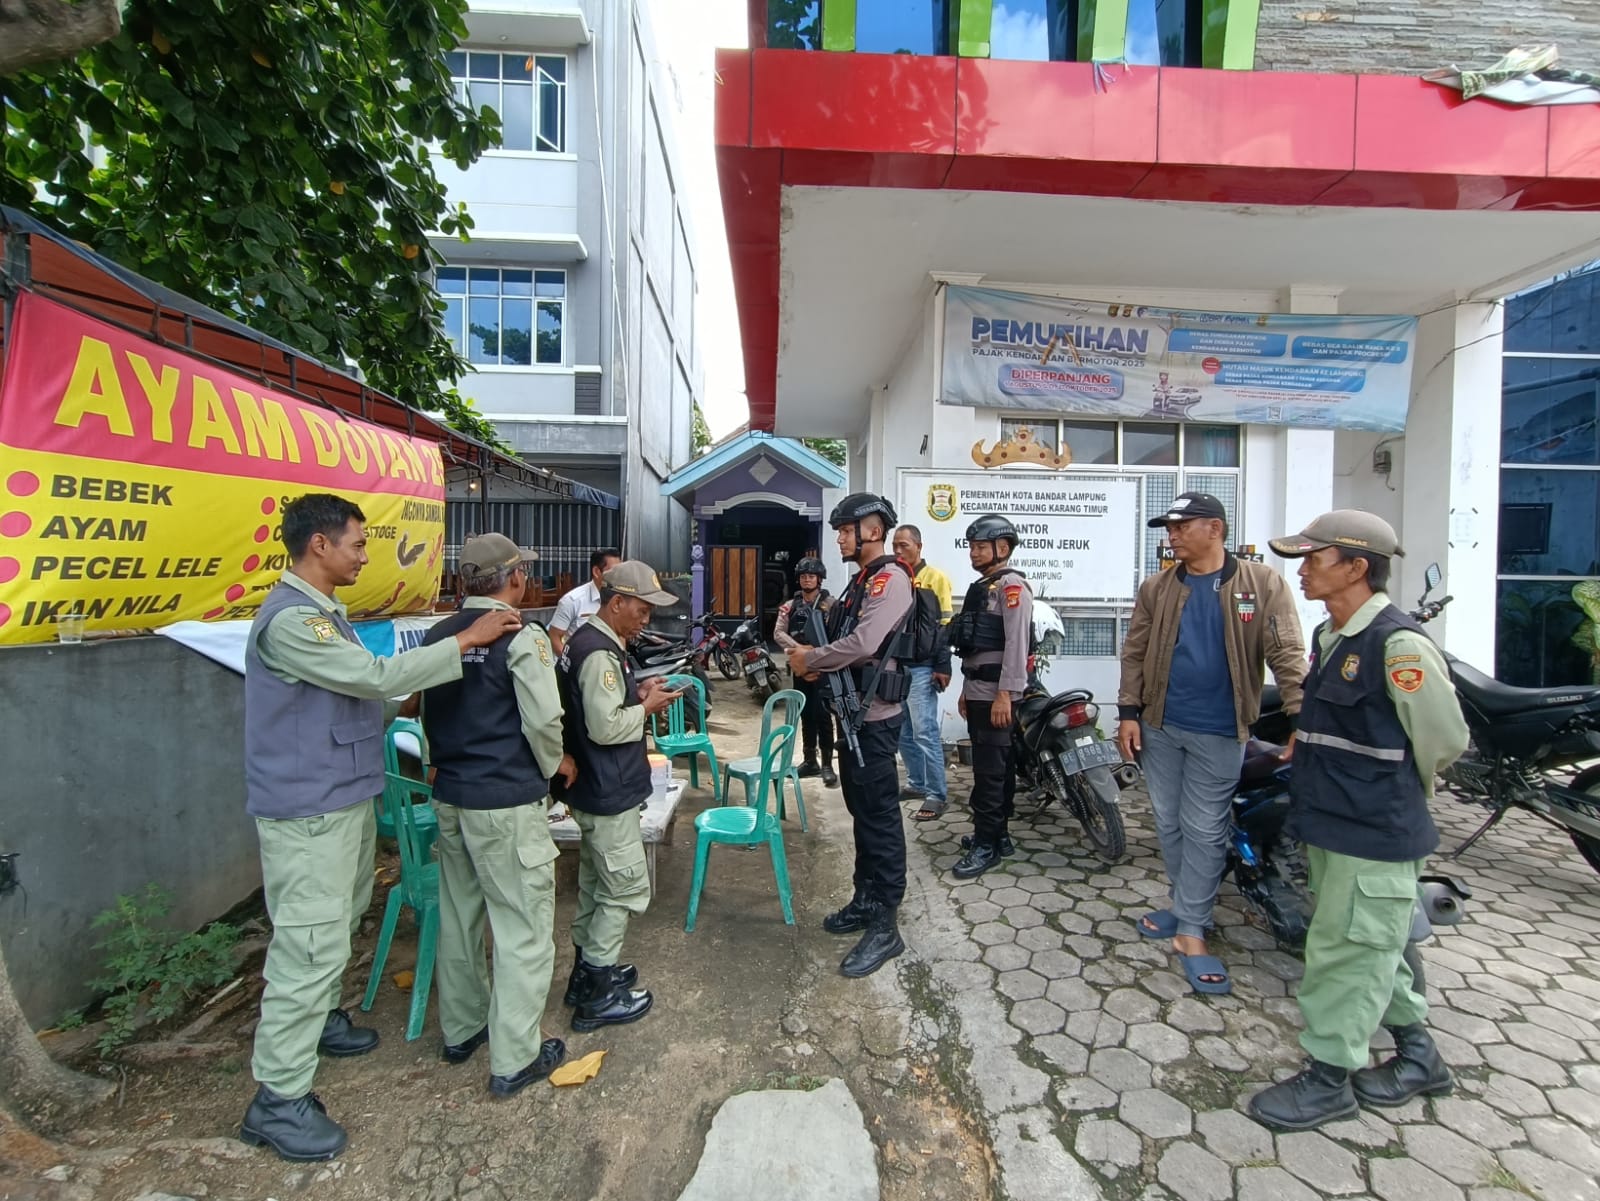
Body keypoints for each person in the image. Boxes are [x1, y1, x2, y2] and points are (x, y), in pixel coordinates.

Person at [239, 494, 520, 1162]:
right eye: (358, 544)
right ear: (319, 546)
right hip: (309, 812)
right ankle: (277, 1098)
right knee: (309, 942)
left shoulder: (324, 616)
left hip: (339, 799)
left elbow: (364, 692)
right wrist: (465, 640)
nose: (365, 555)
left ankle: (317, 1022)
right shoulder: (291, 623)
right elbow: (370, 677)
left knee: (336, 923)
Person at [1248, 511, 1468, 1132]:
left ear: (1356, 567)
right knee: (1379, 941)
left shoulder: (1397, 645)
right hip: (1333, 821)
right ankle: (1420, 1057)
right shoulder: (1333, 637)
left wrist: (1387, 787)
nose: (1303, 568)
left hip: (1374, 826)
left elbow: (1444, 739)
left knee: (1344, 950)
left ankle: (1328, 1079)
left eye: (1314, 557)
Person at [1116, 492, 1306, 995]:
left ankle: (1193, 931)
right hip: (1160, 726)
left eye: (1182, 525)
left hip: (1222, 730)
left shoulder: (1261, 583)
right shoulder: (1157, 588)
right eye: (1169, 527)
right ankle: (1183, 906)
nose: (1172, 534)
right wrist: (1128, 714)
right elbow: (1134, 652)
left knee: (1203, 828)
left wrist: (1300, 718)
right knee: (1169, 822)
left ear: (1215, 529)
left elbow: (1287, 652)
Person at [418, 534, 576, 1098]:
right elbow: (542, 720)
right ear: (512, 579)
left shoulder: (441, 634)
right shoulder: (519, 635)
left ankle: (462, 1031)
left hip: (452, 797)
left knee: (460, 916)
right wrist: (550, 770)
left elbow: (423, 711)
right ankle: (515, 1057)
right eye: (524, 573)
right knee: (523, 929)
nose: (527, 581)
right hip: (505, 803)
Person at [787, 493, 915, 978]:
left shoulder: (889, 579)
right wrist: (818, 658)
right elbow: (840, 640)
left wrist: (811, 661)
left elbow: (863, 644)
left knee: (881, 819)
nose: (839, 536)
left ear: (873, 530)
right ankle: (865, 899)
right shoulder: (858, 583)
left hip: (876, 720)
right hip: (854, 713)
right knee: (862, 814)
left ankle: (886, 924)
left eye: (846, 529)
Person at [556, 560, 681, 1030]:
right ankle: (599, 995)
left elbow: (602, 705)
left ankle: (587, 975)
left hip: (593, 786)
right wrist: (646, 707)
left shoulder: (592, 642)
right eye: (642, 609)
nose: (647, 618)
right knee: (621, 889)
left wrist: (637, 690)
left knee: (594, 884)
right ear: (616, 603)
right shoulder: (598, 653)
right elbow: (605, 727)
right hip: (607, 788)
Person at [947, 515, 1032, 879]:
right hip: (979, 691)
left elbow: (1016, 645)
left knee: (990, 773)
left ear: (1003, 548)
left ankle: (986, 845)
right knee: (994, 768)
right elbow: (973, 649)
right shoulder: (985, 587)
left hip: (997, 694)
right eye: (972, 546)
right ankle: (997, 836)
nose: (974, 553)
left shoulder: (1011, 588)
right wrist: (966, 692)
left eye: (981, 546)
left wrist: (1005, 695)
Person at [891, 525, 954, 822]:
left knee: (924, 731)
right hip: (897, 666)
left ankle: (936, 793)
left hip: (923, 667)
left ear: (919, 546)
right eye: (895, 546)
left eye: (904, 545)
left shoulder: (935, 578)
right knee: (903, 733)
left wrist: (943, 665)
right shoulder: (894, 577)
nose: (899, 551)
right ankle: (917, 783)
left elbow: (945, 626)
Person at [773, 556, 839, 787]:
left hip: (822, 667)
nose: (807, 580)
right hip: (800, 666)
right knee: (805, 713)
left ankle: (828, 765)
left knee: (823, 716)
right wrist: (799, 649)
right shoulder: (790, 605)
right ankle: (810, 760)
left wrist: (818, 653)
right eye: (803, 576)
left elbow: (838, 636)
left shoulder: (831, 605)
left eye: (811, 576)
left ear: (819, 579)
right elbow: (778, 632)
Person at [549, 547, 622, 655]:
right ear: (597, 572)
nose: (618, 576)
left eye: (620, 572)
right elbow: (554, 637)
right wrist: (573, 663)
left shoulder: (619, 599)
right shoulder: (572, 600)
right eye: (613, 572)